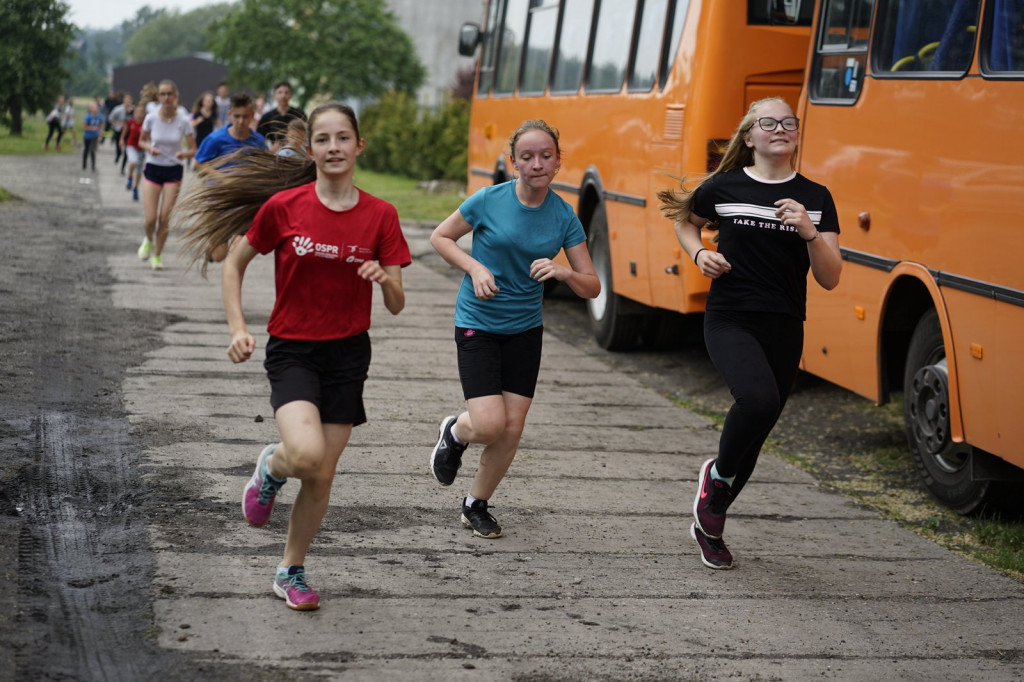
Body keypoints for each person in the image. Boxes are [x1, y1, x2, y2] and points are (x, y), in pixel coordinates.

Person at [175, 102, 411, 611]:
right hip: (293, 349)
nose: (333, 148)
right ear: (310, 149)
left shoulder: (381, 215)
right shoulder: (285, 207)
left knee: (323, 474)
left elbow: (396, 303)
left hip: (349, 353)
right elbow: (234, 265)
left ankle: (290, 569)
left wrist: (384, 278)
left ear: (358, 146)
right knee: (305, 457)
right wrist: (238, 328)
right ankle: (271, 468)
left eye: (343, 138)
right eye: (323, 139)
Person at [657, 96, 843, 570]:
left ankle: (710, 521)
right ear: (749, 137)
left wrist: (809, 232)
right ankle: (716, 482)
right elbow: (686, 223)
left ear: (796, 134)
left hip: (784, 325)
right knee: (757, 401)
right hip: (730, 318)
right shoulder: (724, 186)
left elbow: (830, 276)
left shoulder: (816, 198)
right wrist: (699, 255)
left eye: (788, 122)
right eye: (768, 122)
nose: (780, 128)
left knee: (757, 432)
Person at [428, 120, 600, 539]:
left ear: (558, 162)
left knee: (512, 427)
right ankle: (455, 431)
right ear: (514, 162)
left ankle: (476, 504)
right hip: (478, 323)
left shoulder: (564, 216)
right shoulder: (489, 200)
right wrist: (474, 266)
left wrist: (563, 271)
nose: (537, 164)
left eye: (545, 156)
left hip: (525, 329)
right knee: (487, 425)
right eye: (527, 157)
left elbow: (592, 284)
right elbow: (441, 237)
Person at [193, 92, 267, 262]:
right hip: (219, 200)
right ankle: (211, 249)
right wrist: (222, 178)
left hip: (244, 203)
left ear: (253, 116)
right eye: (237, 116)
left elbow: (264, 168)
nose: (241, 121)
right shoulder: (216, 139)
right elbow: (198, 164)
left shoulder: (258, 142)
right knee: (219, 256)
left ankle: (232, 281)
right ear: (229, 115)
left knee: (238, 253)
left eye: (245, 117)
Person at [137, 79, 196, 271]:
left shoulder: (183, 121)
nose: (166, 98)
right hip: (153, 167)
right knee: (151, 219)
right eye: (162, 94)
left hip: (173, 169)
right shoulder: (151, 118)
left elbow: (193, 149)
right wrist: (149, 148)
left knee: (164, 218)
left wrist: (183, 153)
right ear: (158, 97)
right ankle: (148, 238)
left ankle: (158, 255)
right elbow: (141, 141)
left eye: (169, 94)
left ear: (176, 97)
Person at [256, 81, 307, 152]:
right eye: (280, 92)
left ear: (291, 95)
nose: (283, 95)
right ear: (274, 95)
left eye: (286, 92)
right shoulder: (267, 117)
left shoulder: (299, 114)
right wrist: (269, 149)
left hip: (297, 151)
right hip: (275, 154)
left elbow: (307, 134)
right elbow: (258, 138)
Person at [121, 104, 146, 201]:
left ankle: (135, 188)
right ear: (134, 113)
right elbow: (125, 131)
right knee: (133, 162)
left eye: (142, 112)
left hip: (141, 148)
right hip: (131, 145)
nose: (139, 114)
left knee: (139, 170)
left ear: (144, 114)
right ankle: (130, 176)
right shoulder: (131, 122)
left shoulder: (145, 124)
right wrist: (121, 139)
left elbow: (149, 137)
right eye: (138, 112)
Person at [108, 93, 133, 170]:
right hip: (118, 130)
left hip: (128, 132)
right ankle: (118, 155)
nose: (128, 103)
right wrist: (119, 124)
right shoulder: (118, 109)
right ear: (123, 101)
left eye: (129, 101)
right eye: (126, 101)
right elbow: (110, 118)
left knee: (127, 150)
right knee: (118, 146)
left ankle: (123, 168)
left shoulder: (133, 110)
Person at [81, 101, 103, 171]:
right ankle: (84, 165)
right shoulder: (88, 116)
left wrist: (100, 135)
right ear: (90, 109)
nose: (95, 109)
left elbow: (101, 126)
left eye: (96, 107)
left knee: (92, 150)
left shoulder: (99, 116)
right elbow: (84, 127)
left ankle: (93, 166)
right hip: (87, 136)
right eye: (93, 108)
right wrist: (92, 128)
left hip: (95, 136)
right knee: (86, 150)